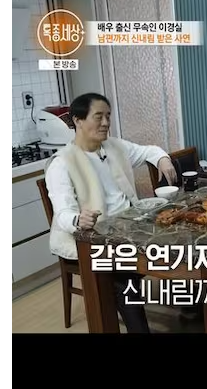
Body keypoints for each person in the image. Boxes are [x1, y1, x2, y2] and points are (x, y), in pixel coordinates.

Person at [45, 93, 177, 333]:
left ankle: (193, 305)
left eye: (108, 116)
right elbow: (63, 213)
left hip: (130, 226)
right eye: (99, 117)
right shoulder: (61, 163)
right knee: (123, 275)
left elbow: (149, 151)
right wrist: (78, 219)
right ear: (78, 120)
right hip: (94, 238)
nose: (106, 123)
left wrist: (163, 159)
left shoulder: (114, 146)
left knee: (179, 239)